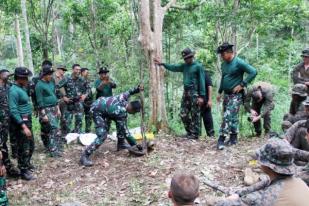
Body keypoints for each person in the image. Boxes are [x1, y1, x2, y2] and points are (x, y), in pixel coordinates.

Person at [216, 138, 309, 206]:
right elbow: (266, 182)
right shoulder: (299, 182)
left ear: (266, 165)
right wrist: (239, 193)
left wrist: (223, 200)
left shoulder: (268, 197)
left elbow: (225, 204)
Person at [80, 85, 144, 166]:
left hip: (105, 108)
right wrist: (135, 145)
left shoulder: (123, 97)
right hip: (96, 110)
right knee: (102, 135)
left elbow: (129, 92)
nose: (133, 114)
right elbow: (126, 132)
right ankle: (85, 155)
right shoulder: (121, 112)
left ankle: (121, 144)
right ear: (132, 109)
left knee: (120, 124)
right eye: (134, 112)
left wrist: (137, 89)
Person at [154, 48, 206, 139]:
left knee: (195, 114)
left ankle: (195, 134)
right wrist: (162, 64)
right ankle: (190, 132)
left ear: (192, 56)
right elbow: (174, 67)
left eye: (187, 58)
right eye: (185, 58)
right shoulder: (184, 66)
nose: (186, 60)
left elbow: (202, 81)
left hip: (195, 93)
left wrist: (202, 96)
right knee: (183, 113)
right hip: (186, 92)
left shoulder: (198, 66)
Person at [216, 42, 257, 150]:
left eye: (223, 54)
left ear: (229, 52)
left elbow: (253, 72)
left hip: (236, 95)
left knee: (228, 115)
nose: (221, 56)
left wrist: (242, 84)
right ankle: (233, 138)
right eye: (221, 54)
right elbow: (223, 78)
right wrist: (220, 92)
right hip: (226, 94)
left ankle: (221, 139)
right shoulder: (224, 64)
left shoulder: (238, 62)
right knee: (232, 117)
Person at [8, 67, 35, 180]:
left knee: (31, 145)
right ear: (20, 78)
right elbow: (13, 110)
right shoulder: (13, 91)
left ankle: (26, 164)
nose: (27, 80)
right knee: (24, 147)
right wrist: (23, 126)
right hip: (21, 123)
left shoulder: (21, 88)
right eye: (26, 78)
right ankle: (23, 170)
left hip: (26, 120)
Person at [35, 65, 62, 157]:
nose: (51, 76)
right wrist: (43, 114)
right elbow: (39, 101)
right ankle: (53, 150)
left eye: (51, 74)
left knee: (53, 128)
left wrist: (58, 109)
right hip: (46, 109)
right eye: (49, 74)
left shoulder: (51, 82)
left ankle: (56, 147)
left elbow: (55, 95)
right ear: (44, 74)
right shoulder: (39, 85)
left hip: (54, 107)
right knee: (54, 129)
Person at [58, 64, 91, 134]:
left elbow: (88, 88)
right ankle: (67, 136)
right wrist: (63, 96)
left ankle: (77, 134)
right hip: (69, 103)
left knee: (79, 120)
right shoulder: (67, 78)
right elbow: (56, 87)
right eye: (76, 69)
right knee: (67, 121)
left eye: (79, 70)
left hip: (78, 103)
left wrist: (85, 95)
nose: (78, 71)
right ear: (73, 70)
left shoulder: (82, 79)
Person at [0, 69, 19, 177]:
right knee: (2, 144)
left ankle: (8, 167)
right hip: (1, 121)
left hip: (10, 118)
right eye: (6, 74)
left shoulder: (9, 86)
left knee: (7, 141)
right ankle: (6, 168)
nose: (8, 76)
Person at [53, 64, 68, 137]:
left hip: (64, 101)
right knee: (56, 117)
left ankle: (63, 134)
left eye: (64, 70)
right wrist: (63, 96)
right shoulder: (53, 77)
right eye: (62, 70)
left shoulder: (64, 78)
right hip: (56, 100)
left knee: (64, 117)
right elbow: (54, 89)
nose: (63, 71)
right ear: (58, 69)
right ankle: (56, 133)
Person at [201, 70, 215, 138]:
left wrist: (210, 100)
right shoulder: (193, 73)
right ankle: (196, 134)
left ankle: (211, 135)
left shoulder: (204, 73)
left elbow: (210, 86)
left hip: (205, 100)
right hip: (196, 100)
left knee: (207, 117)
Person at [81, 67, 93, 133]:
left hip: (89, 102)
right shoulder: (79, 80)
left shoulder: (88, 81)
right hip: (82, 102)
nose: (88, 73)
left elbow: (90, 91)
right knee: (80, 117)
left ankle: (88, 131)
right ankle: (78, 132)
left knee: (89, 117)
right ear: (82, 72)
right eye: (86, 72)